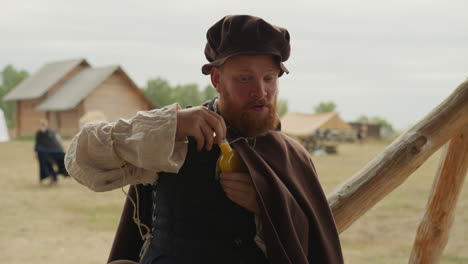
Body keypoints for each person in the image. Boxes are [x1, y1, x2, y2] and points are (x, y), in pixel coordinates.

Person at [65, 15, 344, 264]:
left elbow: (312, 242)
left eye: (269, 79)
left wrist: (267, 205)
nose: (261, 92)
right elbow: (81, 159)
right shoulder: (174, 136)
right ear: (216, 79)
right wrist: (169, 126)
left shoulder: (291, 156)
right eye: (245, 78)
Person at [35, 119, 69, 185]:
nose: (43, 126)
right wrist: (35, 152)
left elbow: (56, 142)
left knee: (62, 161)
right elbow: (37, 144)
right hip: (43, 153)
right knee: (46, 165)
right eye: (42, 124)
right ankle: (51, 178)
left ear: (47, 125)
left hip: (54, 151)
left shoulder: (51, 132)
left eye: (44, 124)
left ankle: (56, 176)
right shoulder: (39, 133)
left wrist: (61, 149)